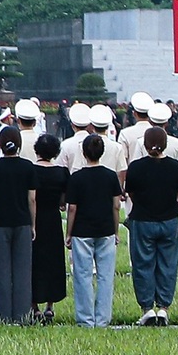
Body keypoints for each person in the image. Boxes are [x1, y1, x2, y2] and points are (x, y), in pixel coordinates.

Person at [124, 126, 178, 326]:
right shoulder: (175, 166)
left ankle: (147, 308)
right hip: (169, 219)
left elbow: (130, 192)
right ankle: (164, 307)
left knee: (143, 264)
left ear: (145, 144)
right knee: (168, 264)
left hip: (142, 219)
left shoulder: (136, 167)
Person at [64, 134, 122, 328]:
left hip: (82, 230)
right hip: (105, 229)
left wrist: (69, 233)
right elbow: (116, 206)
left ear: (84, 152)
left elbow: (72, 208)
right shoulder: (110, 176)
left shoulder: (77, 177)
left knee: (83, 276)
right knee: (106, 276)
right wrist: (116, 230)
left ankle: (86, 319)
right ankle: (103, 318)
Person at [0, 125, 36, 326]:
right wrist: (33, 224)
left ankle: (0, 316)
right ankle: (22, 315)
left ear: (1, 144)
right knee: (22, 271)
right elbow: (32, 199)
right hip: (22, 222)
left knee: (0, 270)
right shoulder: (28, 167)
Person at [30, 133, 70, 323]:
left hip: (34, 219)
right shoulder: (62, 172)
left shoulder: (30, 170)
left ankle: (34, 306)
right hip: (53, 219)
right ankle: (50, 306)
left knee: (34, 261)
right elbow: (63, 201)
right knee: (53, 261)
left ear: (36, 150)